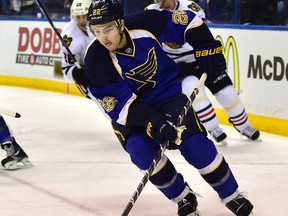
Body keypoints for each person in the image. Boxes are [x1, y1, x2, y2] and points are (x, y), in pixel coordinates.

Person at [84, 0, 254, 215]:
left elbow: (189, 20)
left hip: (167, 96)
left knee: (195, 146)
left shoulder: (146, 23)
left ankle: (232, 195)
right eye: (96, 31)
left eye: (107, 29)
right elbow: (122, 106)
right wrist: (155, 124)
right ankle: (183, 198)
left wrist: (206, 46)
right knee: (141, 152)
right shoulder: (95, 61)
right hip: (133, 113)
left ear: (120, 23)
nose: (103, 37)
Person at [146, 0, 260, 142]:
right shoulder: (150, 12)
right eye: (158, 0)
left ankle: (244, 126)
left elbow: (201, 32)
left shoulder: (190, 7)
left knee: (227, 93)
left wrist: (210, 52)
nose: (162, 4)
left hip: (201, 58)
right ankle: (213, 128)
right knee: (194, 91)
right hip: (177, 65)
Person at [61, 0, 94, 97]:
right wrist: (76, 73)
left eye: (84, 16)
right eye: (78, 17)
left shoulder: (102, 22)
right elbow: (67, 67)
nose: (81, 21)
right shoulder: (69, 37)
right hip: (88, 72)